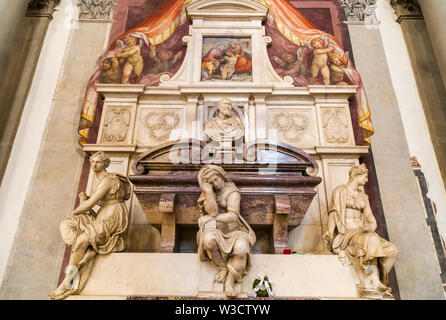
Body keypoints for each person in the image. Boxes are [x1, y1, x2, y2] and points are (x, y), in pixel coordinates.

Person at [50, 151, 131, 300]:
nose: (94, 164)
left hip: (113, 215)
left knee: (81, 239)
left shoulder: (107, 180)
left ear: (105, 164)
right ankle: (87, 251)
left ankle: (68, 281)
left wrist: (75, 211)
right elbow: (89, 203)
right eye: (92, 161)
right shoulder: (97, 179)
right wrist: (83, 200)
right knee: (66, 225)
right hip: (103, 212)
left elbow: (90, 204)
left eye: (98, 162)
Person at [323, 164, 398, 295]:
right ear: (356, 176)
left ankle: (373, 278)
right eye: (365, 176)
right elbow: (333, 213)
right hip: (347, 234)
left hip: (362, 232)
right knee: (372, 239)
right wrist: (330, 232)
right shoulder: (340, 191)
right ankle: (372, 280)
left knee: (392, 250)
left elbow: (370, 217)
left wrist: (372, 224)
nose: (367, 180)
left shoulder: (363, 197)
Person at [197, 165, 256, 298]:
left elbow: (233, 216)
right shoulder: (208, 193)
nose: (215, 184)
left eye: (216, 179)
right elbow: (213, 212)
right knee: (208, 240)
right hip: (215, 229)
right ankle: (223, 268)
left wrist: (208, 218)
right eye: (211, 183)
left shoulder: (232, 192)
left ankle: (230, 280)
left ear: (222, 176)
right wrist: (209, 192)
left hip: (235, 230)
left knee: (241, 247)